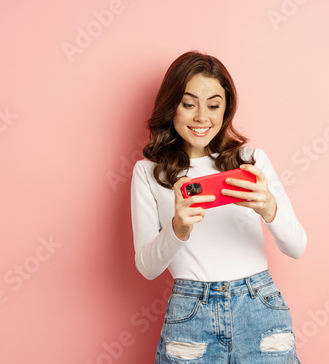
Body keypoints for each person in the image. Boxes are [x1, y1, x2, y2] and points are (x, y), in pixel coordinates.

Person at [130, 51, 308, 363]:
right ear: (171, 106)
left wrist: (270, 209)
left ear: (226, 109)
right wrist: (177, 230)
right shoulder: (149, 172)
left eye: (213, 105)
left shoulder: (251, 162)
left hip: (259, 305)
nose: (202, 117)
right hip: (191, 312)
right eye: (189, 104)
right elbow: (147, 267)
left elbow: (297, 247)